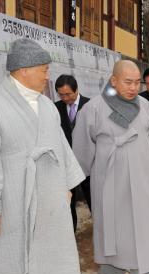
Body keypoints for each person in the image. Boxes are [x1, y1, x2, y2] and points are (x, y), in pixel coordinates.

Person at [0, 38, 85, 274]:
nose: (47, 75)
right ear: (23, 70)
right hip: (10, 201)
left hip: (46, 201)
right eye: (44, 69)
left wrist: (66, 185)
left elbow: (60, 148)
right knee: (9, 265)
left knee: (42, 261)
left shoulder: (48, 107)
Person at [72, 60, 149, 274]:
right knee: (112, 225)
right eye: (127, 82)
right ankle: (113, 272)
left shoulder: (145, 106)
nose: (133, 88)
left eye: (136, 82)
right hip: (109, 178)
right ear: (113, 80)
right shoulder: (94, 109)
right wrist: (72, 182)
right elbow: (81, 147)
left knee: (143, 226)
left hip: (141, 177)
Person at [54, 74, 91, 231]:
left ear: (76, 90)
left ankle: (103, 234)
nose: (65, 98)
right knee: (68, 203)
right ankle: (71, 233)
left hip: (88, 163)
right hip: (66, 164)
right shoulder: (55, 108)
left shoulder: (90, 105)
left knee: (94, 200)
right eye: (61, 94)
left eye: (68, 94)